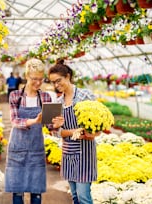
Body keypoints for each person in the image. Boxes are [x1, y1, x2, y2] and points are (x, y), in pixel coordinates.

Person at [5, 58, 64, 204]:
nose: (38, 83)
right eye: (34, 79)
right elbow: (14, 121)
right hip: (17, 149)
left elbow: (50, 126)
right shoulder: (15, 96)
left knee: (36, 193)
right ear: (26, 76)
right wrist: (33, 121)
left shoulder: (45, 97)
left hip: (36, 149)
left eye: (41, 79)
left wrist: (57, 124)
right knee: (17, 192)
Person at [48, 59, 101, 204]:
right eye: (53, 82)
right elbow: (57, 133)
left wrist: (91, 134)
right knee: (75, 197)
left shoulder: (85, 96)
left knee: (84, 196)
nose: (56, 85)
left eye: (58, 80)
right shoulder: (58, 102)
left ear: (68, 77)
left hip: (85, 153)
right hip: (68, 153)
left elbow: (98, 125)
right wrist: (63, 129)